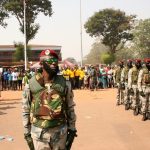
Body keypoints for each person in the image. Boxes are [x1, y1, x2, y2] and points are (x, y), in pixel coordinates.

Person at [22, 49, 77, 150]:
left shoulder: (65, 83)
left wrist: (72, 129)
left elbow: (70, 108)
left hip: (60, 133)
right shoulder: (31, 84)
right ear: (42, 64)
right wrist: (26, 133)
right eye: (49, 61)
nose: (53, 64)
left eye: (55, 61)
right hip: (38, 135)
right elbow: (26, 109)